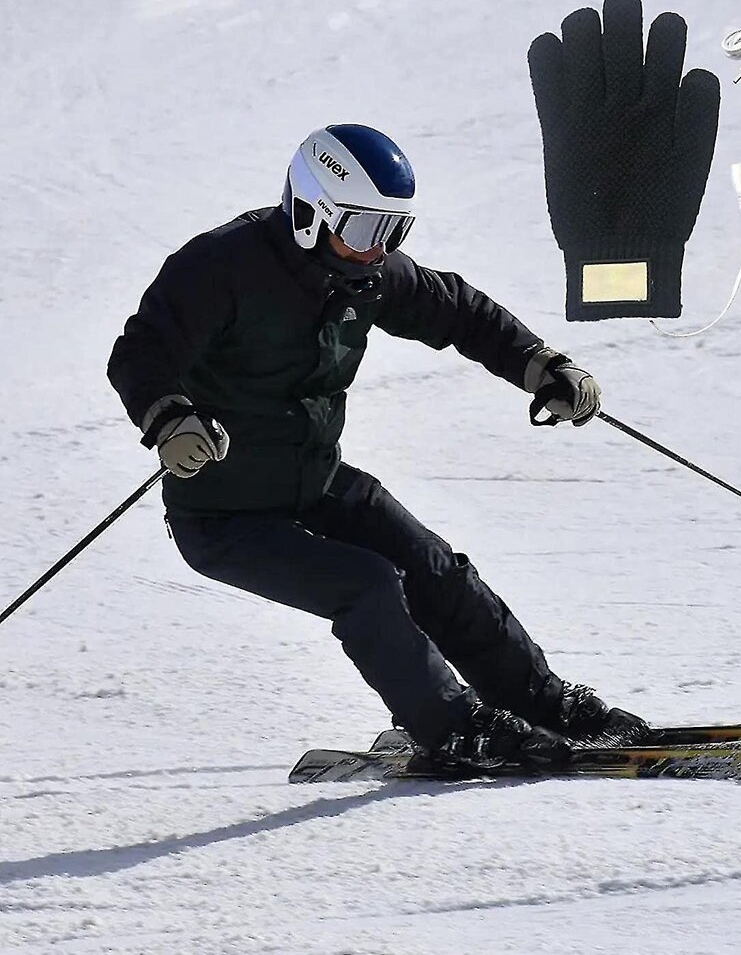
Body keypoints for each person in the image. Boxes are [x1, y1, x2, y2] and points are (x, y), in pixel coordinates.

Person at [107, 123, 647, 770]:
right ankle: (451, 728)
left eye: (392, 233)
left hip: (315, 478)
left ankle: (541, 704)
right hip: (225, 513)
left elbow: (460, 312)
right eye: (363, 231)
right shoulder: (222, 267)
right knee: (366, 585)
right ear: (310, 212)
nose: (376, 251)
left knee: (433, 567)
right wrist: (170, 420)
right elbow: (142, 352)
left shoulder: (363, 274)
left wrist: (539, 364)